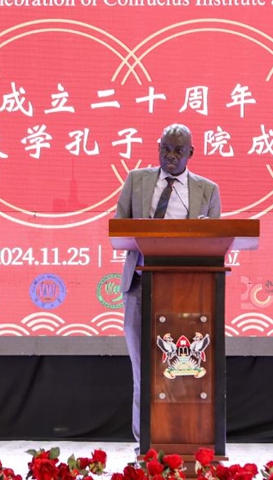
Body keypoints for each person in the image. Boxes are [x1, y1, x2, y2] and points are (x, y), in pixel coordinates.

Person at [114, 123, 222, 448]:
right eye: (165, 149)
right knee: (142, 373)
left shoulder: (207, 190)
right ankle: (144, 445)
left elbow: (216, 242)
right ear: (158, 147)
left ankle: (186, 443)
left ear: (191, 153)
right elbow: (118, 226)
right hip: (140, 286)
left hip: (189, 294)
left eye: (178, 151)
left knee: (186, 373)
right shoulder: (137, 180)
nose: (170, 157)